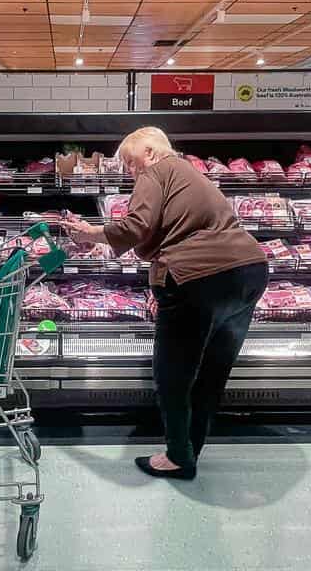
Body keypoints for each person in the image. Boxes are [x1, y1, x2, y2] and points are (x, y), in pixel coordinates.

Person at [64, 127, 268, 480]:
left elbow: (138, 226)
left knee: (173, 374)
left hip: (198, 277)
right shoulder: (190, 174)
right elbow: (166, 230)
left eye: (130, 162)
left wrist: (90, 232)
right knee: (211, 373)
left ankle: (177, 456)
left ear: (149, 150)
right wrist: (105, 243)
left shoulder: (156, 169)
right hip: (248, 272)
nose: (131, 172)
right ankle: (189, 449)